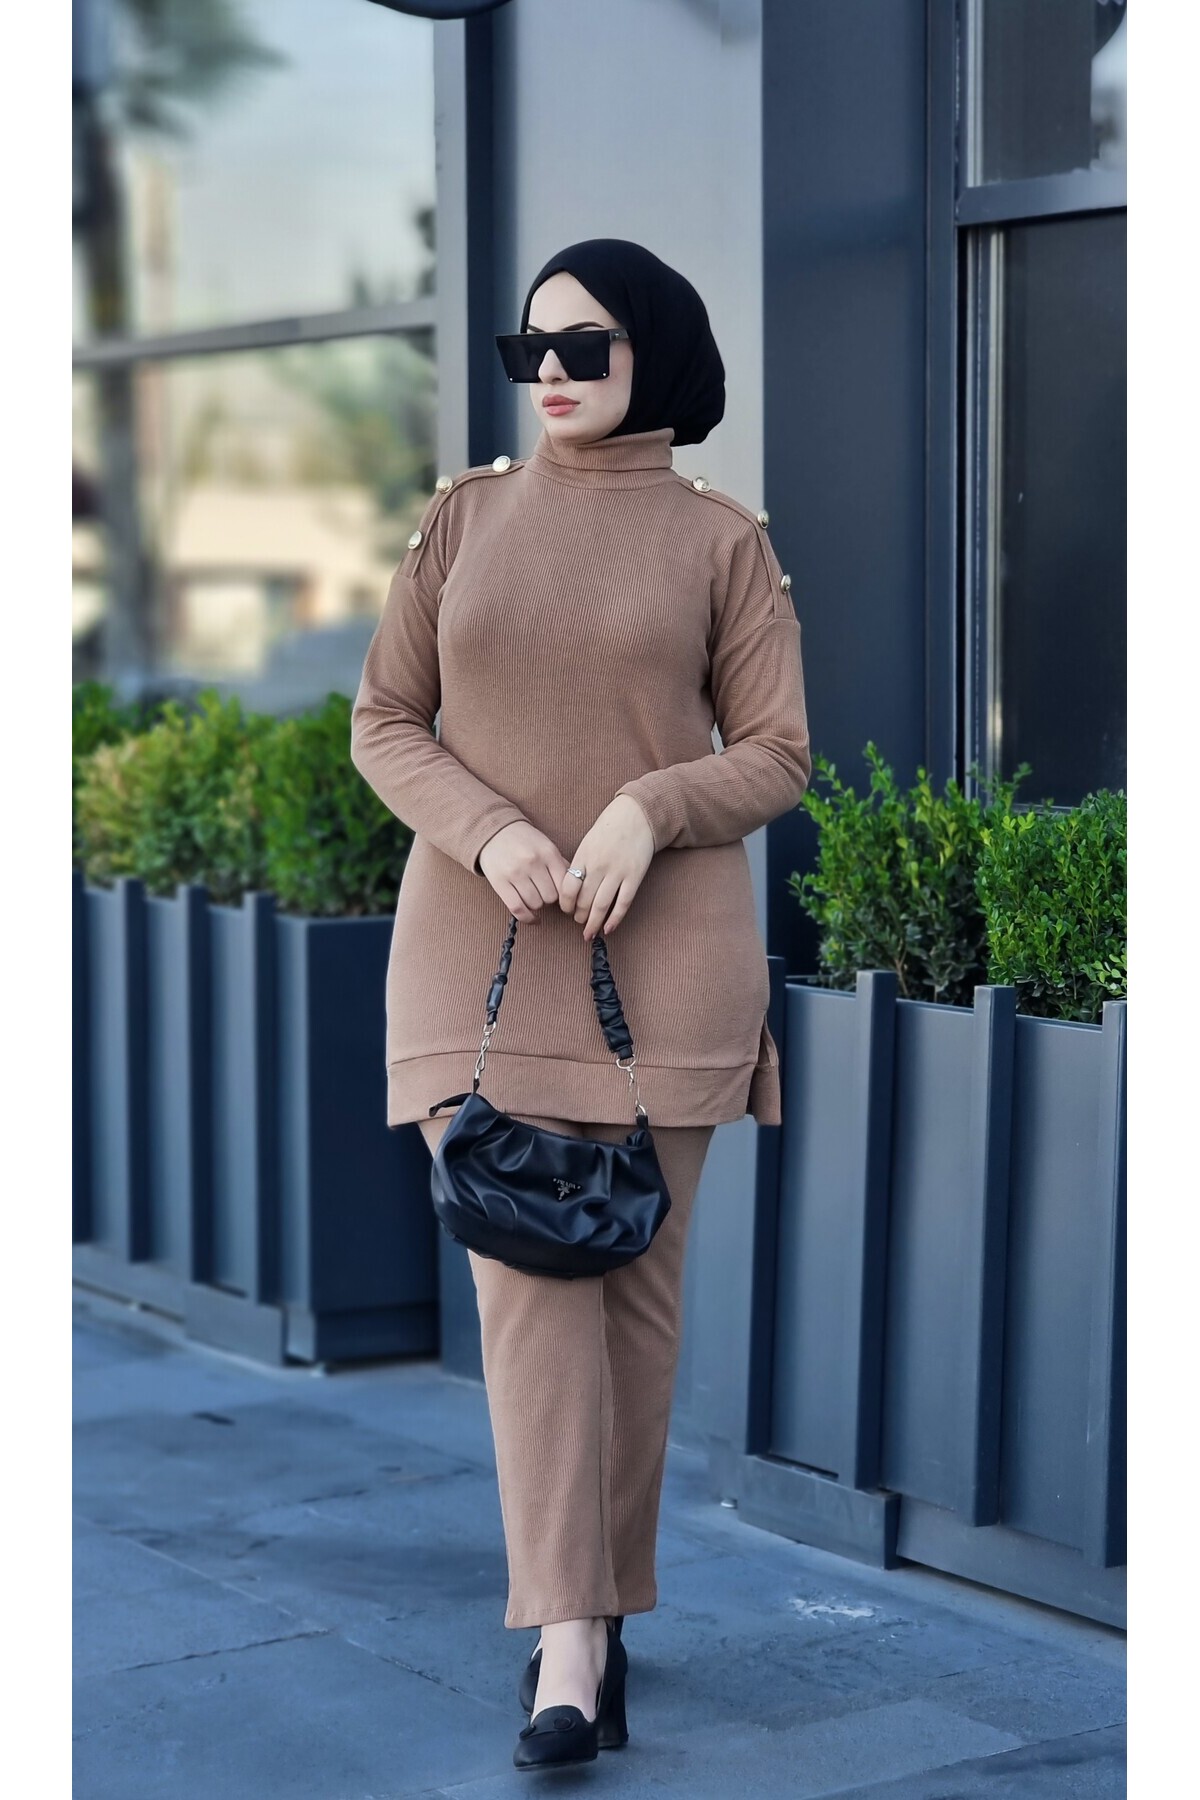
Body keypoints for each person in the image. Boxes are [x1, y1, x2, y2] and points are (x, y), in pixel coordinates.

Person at [350, 237, 812, 1770]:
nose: (548, 372)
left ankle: (595, 1632)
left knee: (633, 1308)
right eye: (527, 347)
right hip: (474, 966)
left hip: (665, 963)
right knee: (532, 1288)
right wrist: (490, 830)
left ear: (655, 352)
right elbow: (384, 719)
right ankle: (567, 1639)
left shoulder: (720, 542)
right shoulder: (464, 520)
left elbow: (778, 753)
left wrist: (650, 808)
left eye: (584, 345)